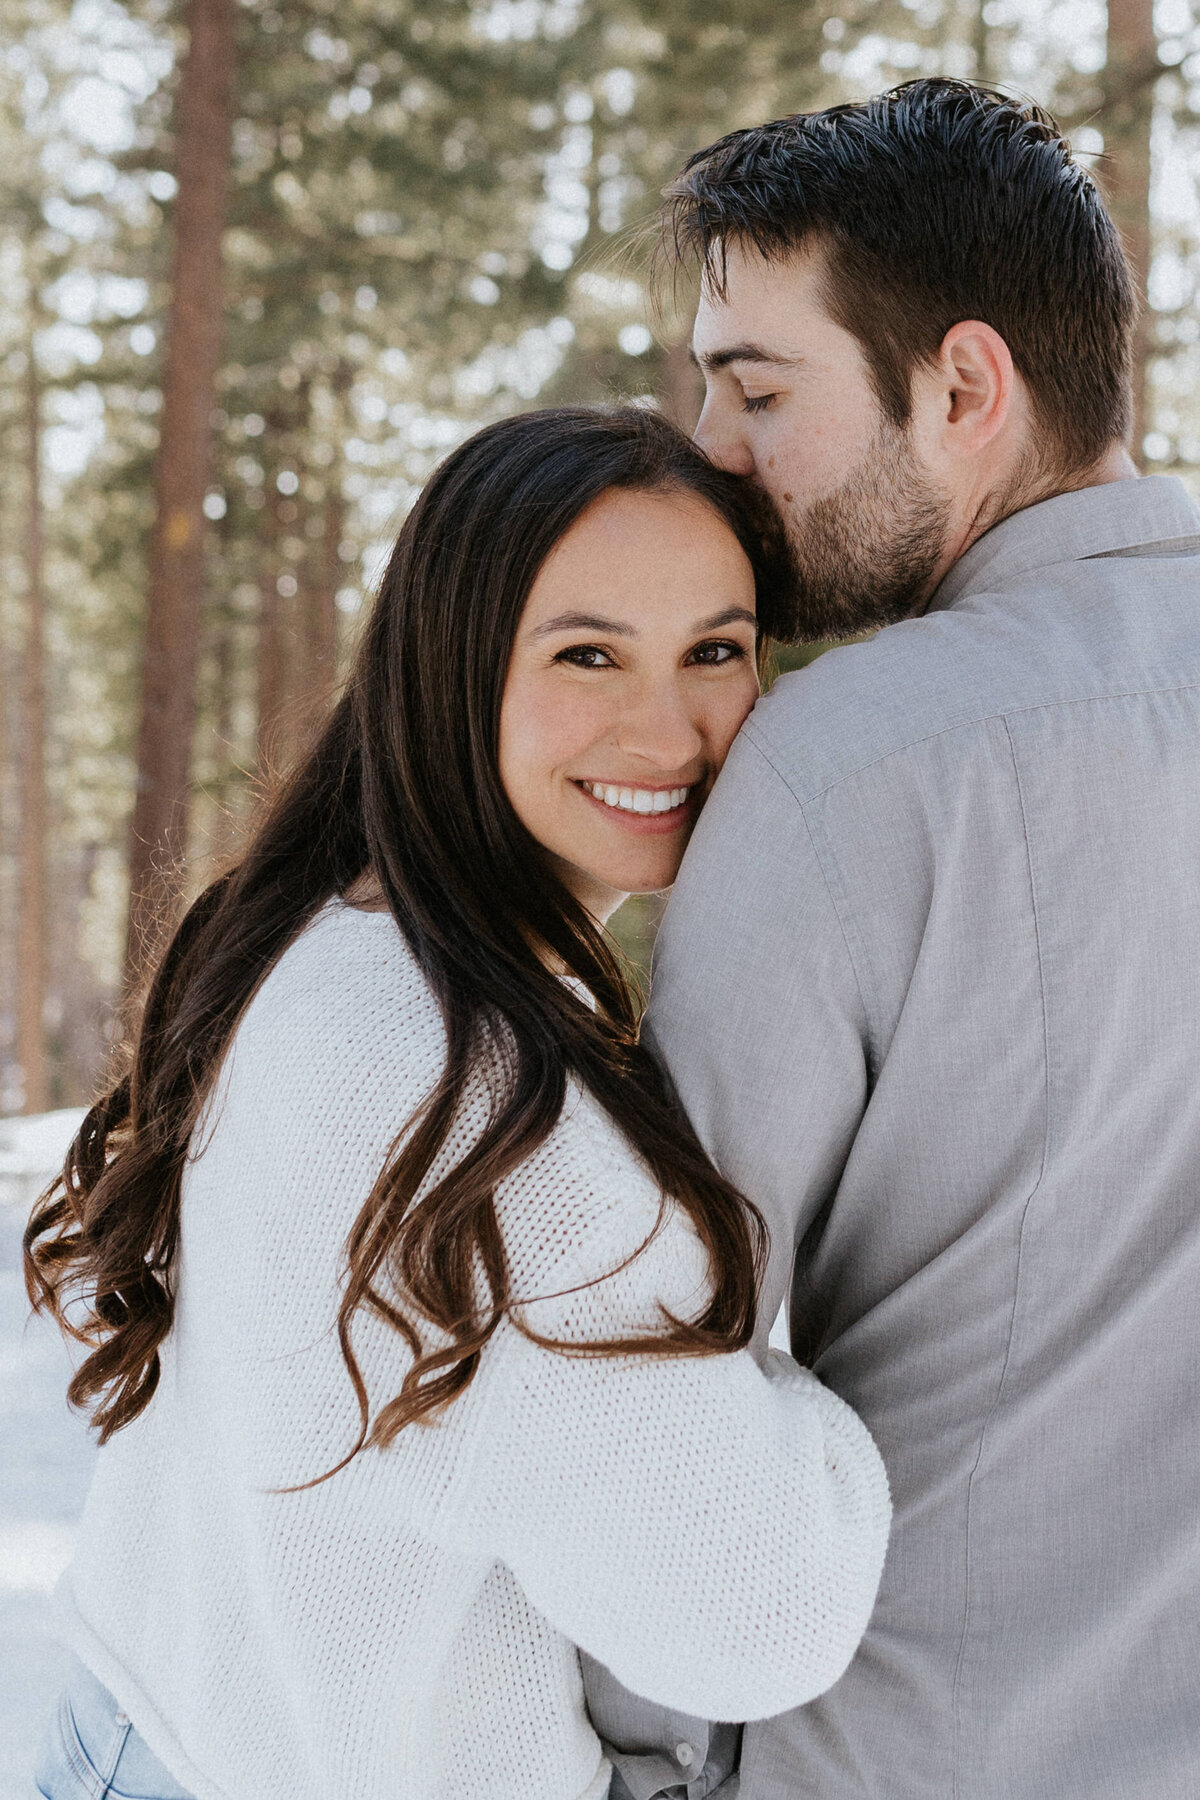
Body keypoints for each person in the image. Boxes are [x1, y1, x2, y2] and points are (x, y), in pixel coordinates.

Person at [24, 406, 890, 1800]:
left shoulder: (341, 932)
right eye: (587, 654)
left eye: (716, 652)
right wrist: (808, 1390)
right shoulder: (469, 1090)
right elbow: (759, 1613)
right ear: (451, 665)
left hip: (163, 1733)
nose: (667, 728)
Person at [583, 80, 1200, 1799]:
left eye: (759, 389)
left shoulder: (848, 763)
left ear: (965, 388)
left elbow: (671, 1367)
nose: (710, 445)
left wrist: (631, 1772)